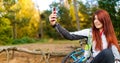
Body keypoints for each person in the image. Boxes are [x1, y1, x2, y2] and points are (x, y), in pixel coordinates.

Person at [49, 9, 120, 63]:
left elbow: (115, 51)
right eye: (95, 19)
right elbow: (69, 35)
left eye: (99, 19)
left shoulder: (109, 34)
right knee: (107, 53)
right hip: (94, 61)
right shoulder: (89, 32)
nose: (96, 21)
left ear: (105, 20)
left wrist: (117, 60)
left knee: (110, 53)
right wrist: (55, 25)